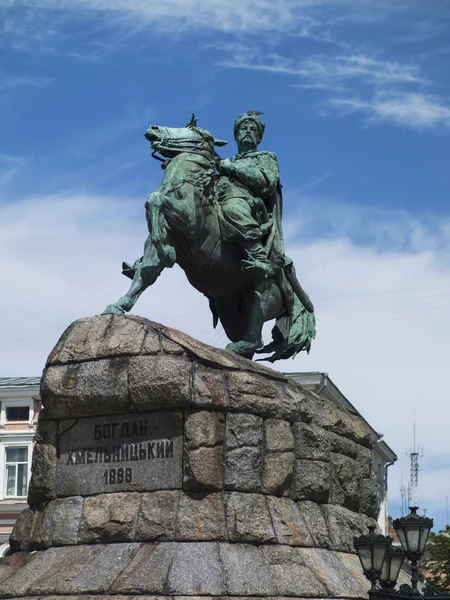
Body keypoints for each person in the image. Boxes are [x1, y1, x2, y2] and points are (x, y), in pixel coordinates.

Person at [217, 111, 285, 279]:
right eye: (243, 128)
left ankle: (259, 256)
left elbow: (266, 183)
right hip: (220, 199)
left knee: (233, 208)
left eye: (253, 129)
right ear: (236, 135)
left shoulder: (265, 157)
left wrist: (233, 169)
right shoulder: (225, 162)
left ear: (259, 138)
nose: (247, 131)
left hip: (249, 205)